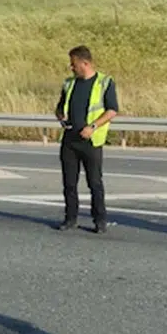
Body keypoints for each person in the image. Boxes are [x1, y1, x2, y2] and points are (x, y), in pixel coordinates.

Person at [54, 44, 119, 233]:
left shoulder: (104, 82)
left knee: (95, 183)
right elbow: (59, 107)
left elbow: (112, 110)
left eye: (73, 64)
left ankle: (99, 220)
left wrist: (92, 127)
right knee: (69, 183)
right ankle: (70, 218)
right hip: (69, 140)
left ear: (85, 63)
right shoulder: (69, 83)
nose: (71, 67)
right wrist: (61, 116)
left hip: (91, 141)